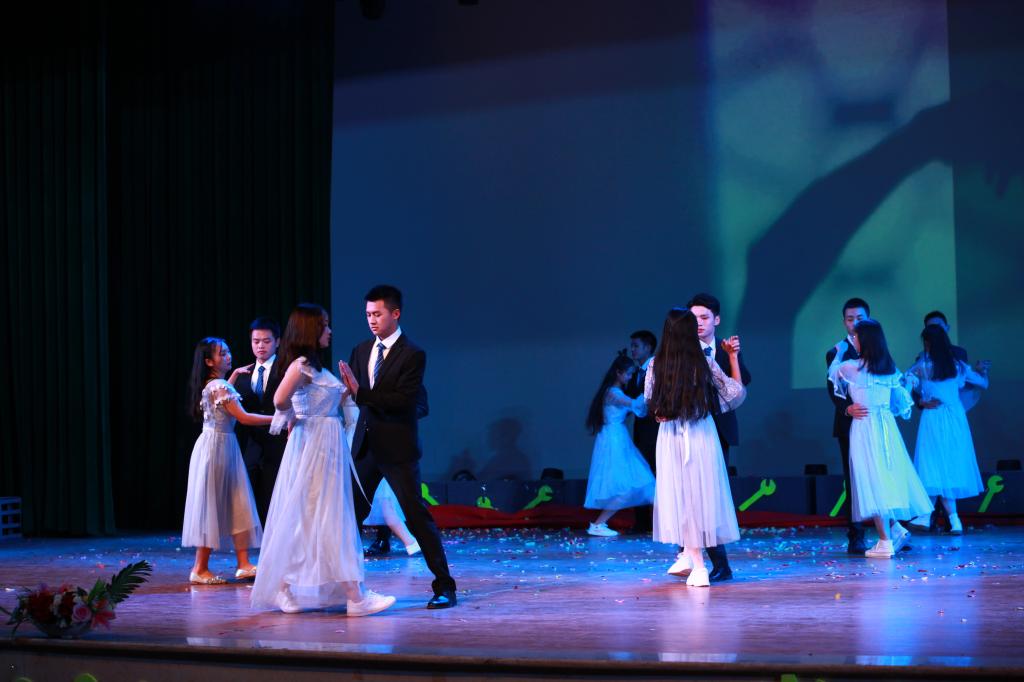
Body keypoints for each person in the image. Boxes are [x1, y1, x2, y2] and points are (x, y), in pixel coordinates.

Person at [251, 304, 394, 617]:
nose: (329, 330)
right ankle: (354, 596)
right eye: (324, 325)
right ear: (310, 329)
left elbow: (324, 401)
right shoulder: (301, 365)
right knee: (326, 518)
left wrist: (346, 390)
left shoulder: (316, 366)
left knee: (317, 519)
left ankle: (288, 588)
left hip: (327, 444)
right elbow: (279, 399)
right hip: (314, 446)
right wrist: (296, 416)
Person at [338, 285, 458, 609]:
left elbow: (404, 401)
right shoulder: (361, 350)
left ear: (395, 313)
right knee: (348, 514)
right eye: (367, 314)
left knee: (416, 516)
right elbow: (351, 394)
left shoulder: (412, 354)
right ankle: (345, 587)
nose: (371, 320)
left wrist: (361, 393)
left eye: (377, 314)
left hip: (398, 449)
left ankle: (445, 586)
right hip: (365, 446)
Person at [645, 308, 747, 587]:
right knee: (695, 497)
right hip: (700, 433)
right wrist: (733, 359)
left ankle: (695, 562)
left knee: (684, 496)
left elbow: (651, 404)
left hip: (673, 436)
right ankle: (691, 558)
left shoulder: (656, 364)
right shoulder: (703, 363)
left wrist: (663, 413)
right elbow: (735, 393)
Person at [828, 319, 932, 559]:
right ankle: (892, 533)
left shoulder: (851, 367)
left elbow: (833, 372)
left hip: (865, 428)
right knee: (883, 479)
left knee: (872, 481)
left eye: (856, 337)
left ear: (864, 340)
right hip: (887, 428)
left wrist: (839, 351)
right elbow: (901, 403)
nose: (853, 340)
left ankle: (885, 540)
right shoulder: (889, 370)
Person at [676, 292, 751, 582]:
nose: (698, 323)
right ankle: (690, 555)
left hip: (717, 429)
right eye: (693, 318)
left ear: (716, 320)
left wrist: (732, 356)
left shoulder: (724, 350)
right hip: (687, 430)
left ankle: (718, 563)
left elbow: (740, 386)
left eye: (704, 317)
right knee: (687, 494)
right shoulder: (682, 350)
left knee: (710, 497)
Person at [182, 337, 268, 584]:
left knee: (236, 499)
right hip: (217, 448)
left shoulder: (215, 384)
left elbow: (222, 404)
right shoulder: (219, 385)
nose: (228, 356)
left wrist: (234, 376)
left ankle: (243, 563)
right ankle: (200, 568)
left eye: (228, 352)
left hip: (220, 445)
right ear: (209, 361)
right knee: (215, 503)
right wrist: (279, 419)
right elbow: (243, 417)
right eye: (222, 354)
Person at [906, 324, 989, 534]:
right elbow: (982, 383)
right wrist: (982, 370)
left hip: (934, 417)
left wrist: (921, 401)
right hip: (955, 418)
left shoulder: (923, 366)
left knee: (933, 465)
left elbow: (904, 382)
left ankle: (928, 515)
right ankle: (952, 519)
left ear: (928, 343)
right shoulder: (958, 366)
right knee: (946, 467)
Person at [583, 355, 656, 537]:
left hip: (618, 438)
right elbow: (636, 405)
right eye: (628, 374)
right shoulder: (613, 393)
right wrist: (651, 387)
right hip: (614, 441)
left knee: (645, 482)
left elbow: (637, 409)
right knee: (626, 487)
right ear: (618, 373)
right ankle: (598, 524)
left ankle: (668, 525)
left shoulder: (613, 392)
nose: (630, 377)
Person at [344, 391, 422, 557]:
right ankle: (354, 545)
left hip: (371, 442)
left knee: (382, 499)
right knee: (358, 499)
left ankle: (410, 541)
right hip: (351, 441)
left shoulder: (372, 389)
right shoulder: (342, 387)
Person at [825, 297, 871, 554]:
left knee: (881, 475)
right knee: (854, 478)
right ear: (844, 322)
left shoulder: (878, 348)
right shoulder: (837, 351)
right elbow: (832, 389)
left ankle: (891, 531)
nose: (855, 323)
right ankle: (856, 534)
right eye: (850, 319)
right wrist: (846, 408)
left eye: (860, 318)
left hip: (876, 422)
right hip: (849, 423)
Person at [234, 317, 288, 524]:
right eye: (256, 341)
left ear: (277, 342)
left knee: (275, 492)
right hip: (250, 443)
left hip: (279, 442)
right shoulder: (242, 374)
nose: (260, 346)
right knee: (249, 493)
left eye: (266, 341)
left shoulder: (286, 370)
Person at [625, 330, 658, 532]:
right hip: (640, 433)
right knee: (641, 474)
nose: (633, 350)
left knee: (657, 475)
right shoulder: (635, 373)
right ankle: (642, 522)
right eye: (632, 346)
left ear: (648, 347)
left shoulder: (658, 369)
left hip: (657, 432)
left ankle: (659, 523)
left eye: (636, 346)